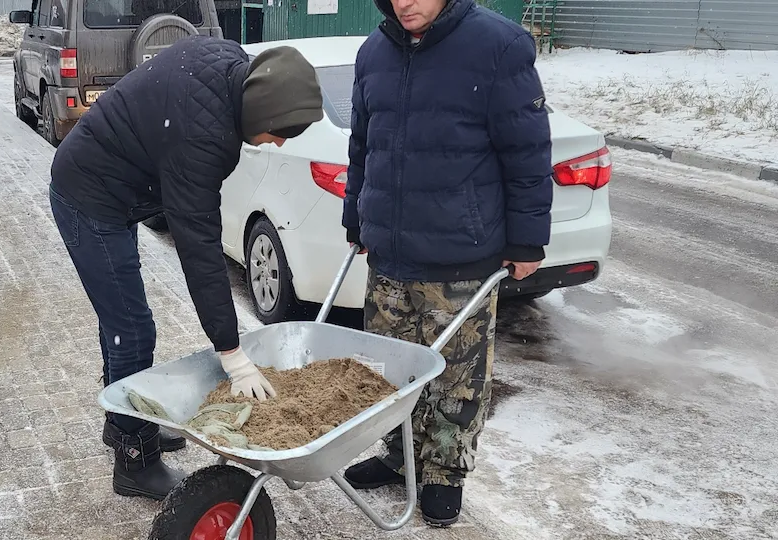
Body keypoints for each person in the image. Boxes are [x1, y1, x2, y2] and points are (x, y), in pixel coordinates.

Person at [48, 35, 324, 501]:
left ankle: (123, 422)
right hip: (88, 197)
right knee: (132, 329)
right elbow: (198, 248)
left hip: (113, 183)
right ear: (260, 111)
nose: (277, 143)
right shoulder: (203, 135)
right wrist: (232, 353)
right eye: (279, 131)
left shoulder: (231, 67)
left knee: (122, 321)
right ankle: (135, 461)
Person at [340, 0, 554, 528]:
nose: (404, 3)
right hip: (390, 252)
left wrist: (527, 242)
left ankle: (441, 472)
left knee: (457, 373)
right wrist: (356, 217)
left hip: (462, 255)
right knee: (390, 369)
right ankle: (397, 455)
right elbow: (363, 147)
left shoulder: (498, 48)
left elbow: (528, 153)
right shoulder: (373, 53)